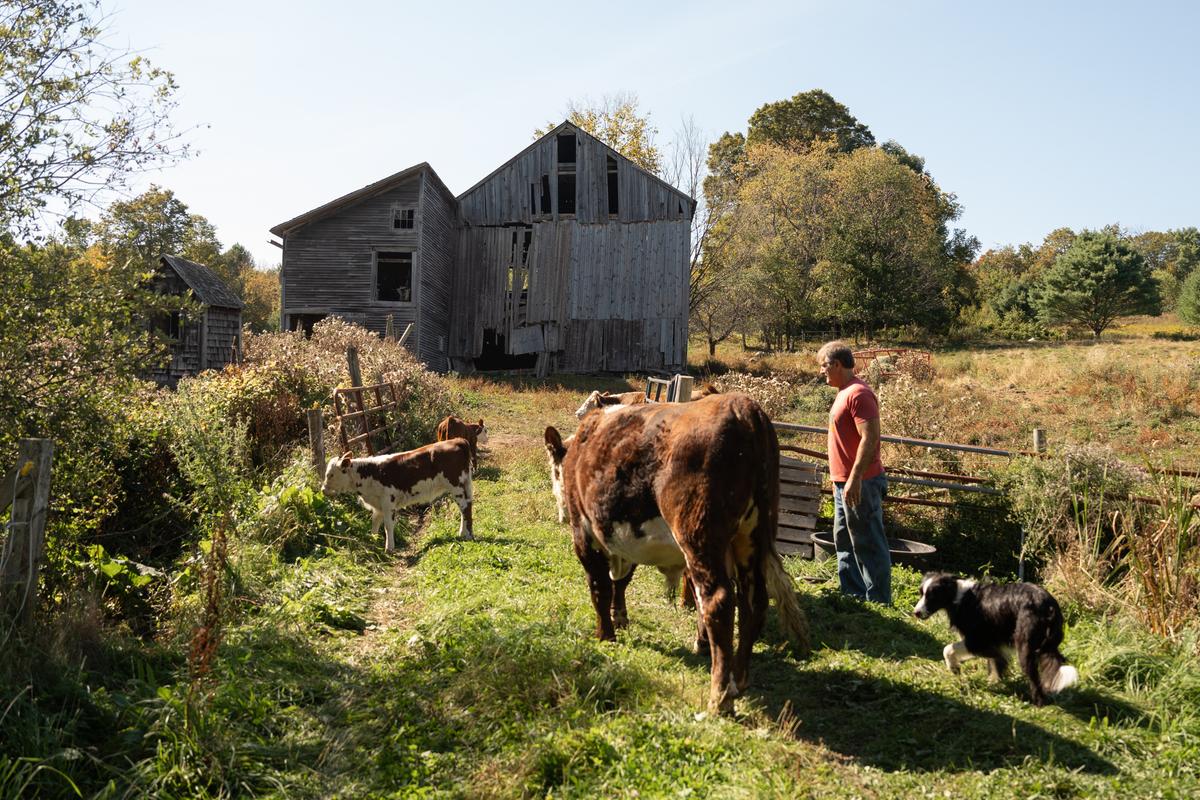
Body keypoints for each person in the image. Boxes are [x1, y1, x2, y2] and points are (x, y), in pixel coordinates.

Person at [817, 341, 890, 605]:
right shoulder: (844, 392)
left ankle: (879, 601)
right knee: (844, 541)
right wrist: (840, 480)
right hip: (844, 483)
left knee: (868, 542)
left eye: (824, 366)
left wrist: (855, 477)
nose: (821, 371)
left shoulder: (859, 394)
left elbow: (870, 438)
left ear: (837, 364)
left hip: (862, 483)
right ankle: (853, 597)